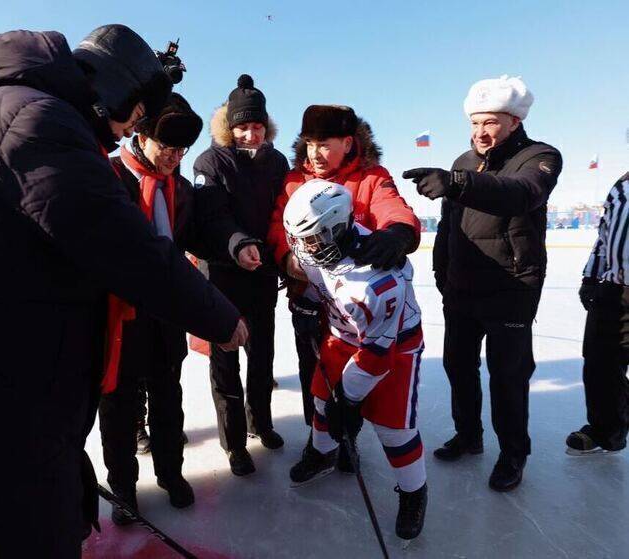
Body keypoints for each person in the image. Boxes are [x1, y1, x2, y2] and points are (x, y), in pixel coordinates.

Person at [0, 26, 245, 558]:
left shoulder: (15, 111)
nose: (127, 132)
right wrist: (219, 317)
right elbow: (127, 246)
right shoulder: (37, 122)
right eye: (133, 117)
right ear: (113, 95)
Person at [404, 75, 562, 491]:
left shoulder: (539, 157)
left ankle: (513, 454)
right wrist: (442, 272)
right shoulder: (462, 161)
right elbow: (450, 226)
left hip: (511, 286)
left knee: (507, 375)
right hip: (461, 287)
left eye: (490, 122)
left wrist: (459, 183)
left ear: (513, 121)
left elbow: (520, 194)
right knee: (459, 366)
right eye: (475, 123)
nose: (480, 132)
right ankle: (468, 435)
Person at [266, 105, 421, 470]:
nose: (314, 154)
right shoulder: (293, 183)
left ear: (348, 143)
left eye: (324, 145)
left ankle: (348, 437)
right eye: (308, 145)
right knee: (316, 378)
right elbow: (277, 226)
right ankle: (320, 443)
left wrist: (397, 232)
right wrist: (289, 259)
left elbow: (392, 207)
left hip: (359, 309)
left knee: (359, 380)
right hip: (311, 300)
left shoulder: (371, 177)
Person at [283, 179, 427, 540]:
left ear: (336, 229)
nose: (303, 249)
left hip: (394, 345)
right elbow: (322, 283)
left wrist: (349, 399)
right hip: (342, 334)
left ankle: (413, 493)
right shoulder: (319, 247)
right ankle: (323, 453)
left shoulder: (379, 282)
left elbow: (378, 355)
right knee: (320, 400)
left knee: (394, 428)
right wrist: (308, 303)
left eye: (311, 239)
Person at [98, 93, 210, 520]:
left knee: (169, 397)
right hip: (118, 315)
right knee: (120, 406)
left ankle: (171, 472)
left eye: (182, 151)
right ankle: (124, 487)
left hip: (165, 314)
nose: (174, 158)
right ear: (141, 136)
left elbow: (196, 236)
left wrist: (238, 247)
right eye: (167, 147)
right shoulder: (108, 175)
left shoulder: (179, 187)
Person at [192, 74, 289, 476]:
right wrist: (238, 244)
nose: (250, 134)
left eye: (257, 126)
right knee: (226, 357)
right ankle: (234, 442)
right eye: (243, 126)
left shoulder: (277, 161)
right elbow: (212, 218)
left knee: (262, 354)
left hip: (263, 275)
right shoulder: (209, 162)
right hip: (222, 276)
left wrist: (277, 255)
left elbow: (283, 214)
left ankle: (260, 422)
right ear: (229, 128)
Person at [567, 172, 629, 455]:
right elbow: (604, 238)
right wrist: (591, 278)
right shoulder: (622, 185)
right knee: (599, 366)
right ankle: (606, 431)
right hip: (613, 290)